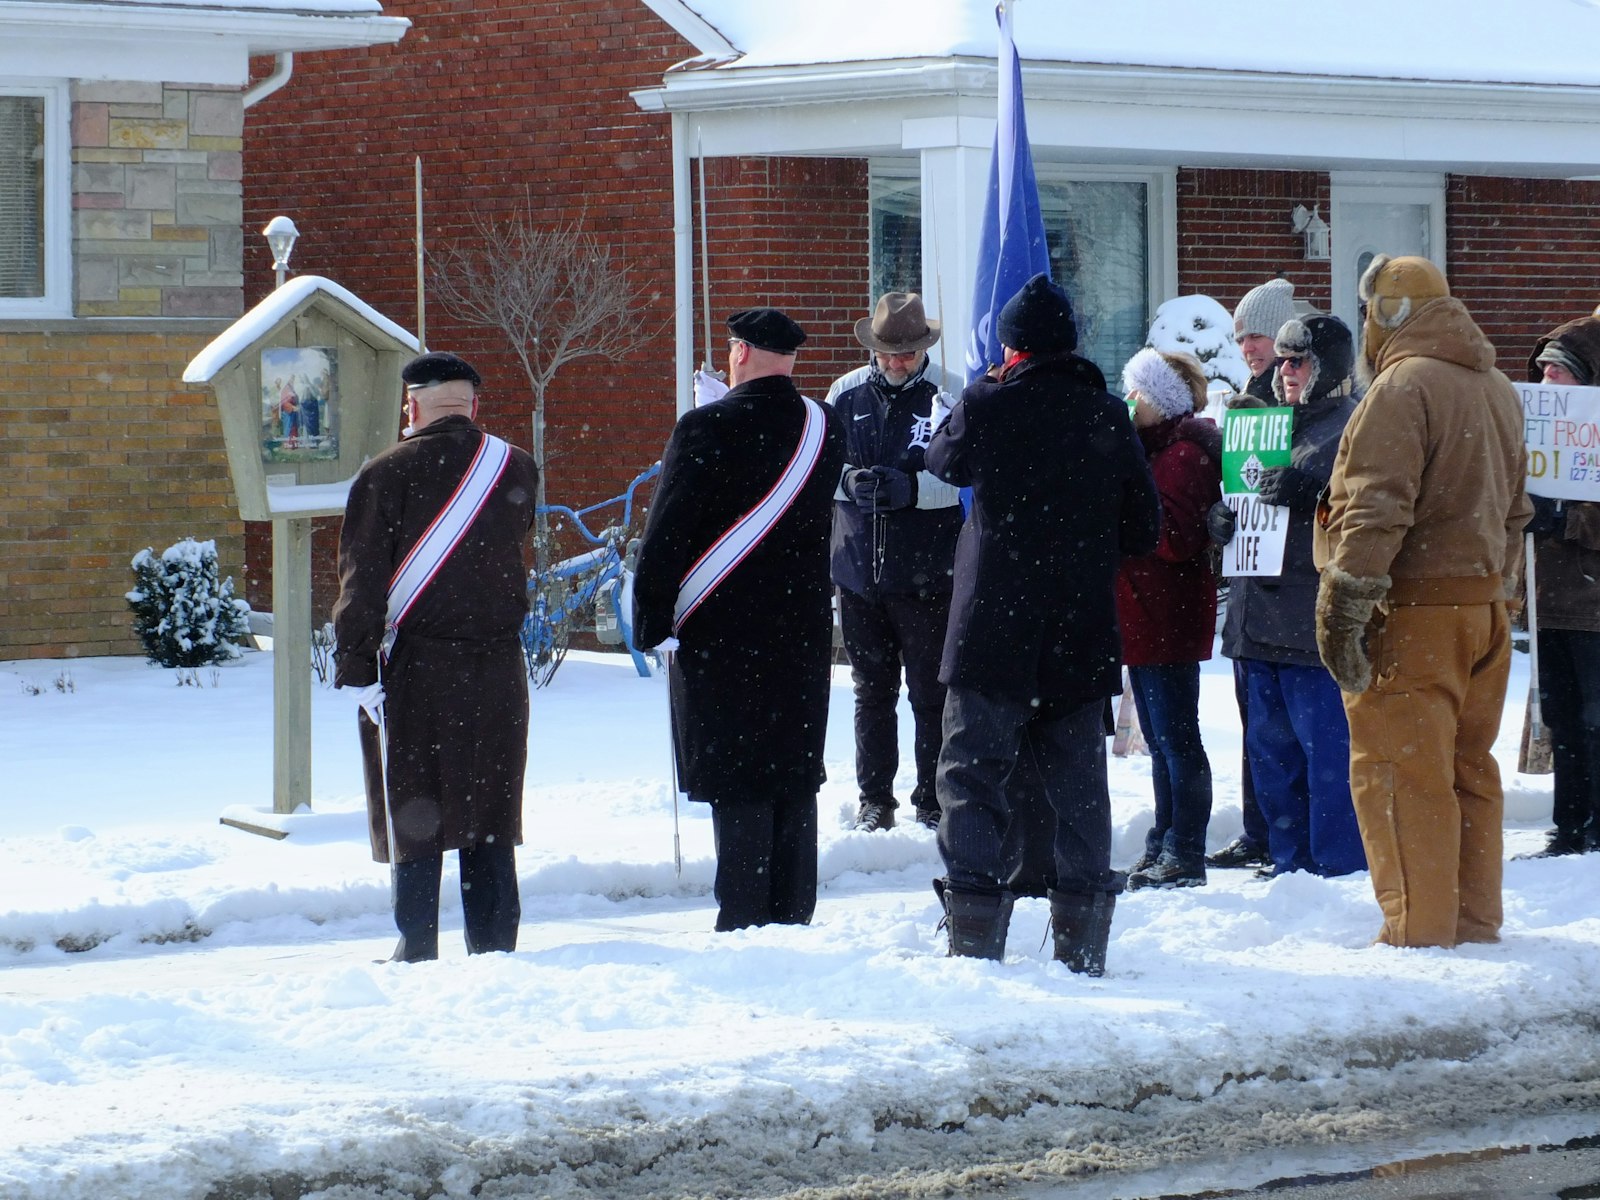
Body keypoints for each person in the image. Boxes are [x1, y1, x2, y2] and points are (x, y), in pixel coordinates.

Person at [926, 273, 1161, 972]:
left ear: (1010, 346)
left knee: (971, 776)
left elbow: (941, 460)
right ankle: (1083, 940)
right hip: (1078, 627)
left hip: (993, 628)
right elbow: (1143, 528)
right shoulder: (1107, 415)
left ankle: (972, 934)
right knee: (1079, 785)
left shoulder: (989, 404)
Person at [1315, 255, 1531, 948]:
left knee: (1400, 771)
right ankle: (1471, 919)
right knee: (1469, 768)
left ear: (1387, 313)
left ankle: (1419, 931)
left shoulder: (1404, 387)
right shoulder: (1494, 384)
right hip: (1482, 607)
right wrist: (1498, 589)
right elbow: (1517, 512)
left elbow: (1376, 507)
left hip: (1412, 612)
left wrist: (1346, 602)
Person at [631, 308, 846, 932]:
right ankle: (792, 909)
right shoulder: (824, 426)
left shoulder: (704, 427)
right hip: (799, 629)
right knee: (791, 774)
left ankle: (745, 915)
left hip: (723, 631)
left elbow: (665, 535)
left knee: (740, 778)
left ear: (741, 353)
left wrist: (652, 624)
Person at [333, 351, 538, 963]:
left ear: (411, 406)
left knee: (415, 806)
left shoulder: (385, 472)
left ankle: (416, 943)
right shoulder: (515, 465)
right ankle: (495, 941)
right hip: (499, 663)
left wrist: (355, 668)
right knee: (491, 810)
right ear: (473, 404)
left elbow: (361, 581)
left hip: (419, 665)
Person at [1210, 315, 1366, 880]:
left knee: (1325, 758)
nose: (1286, 371)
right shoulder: (1262, 425)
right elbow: (1237, 500)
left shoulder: (1352, 428)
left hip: (1309, 619)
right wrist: (1220, 522)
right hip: (1257, 618)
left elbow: (1373, 514)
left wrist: (1316, 496)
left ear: (1329, 368)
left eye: (1300, 361)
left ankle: (1336, 867)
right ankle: (1289, 862)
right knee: (1271, 758)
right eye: (1282, 359)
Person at [826, 292, 963, 833]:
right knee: (871, 691)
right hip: (859, 569)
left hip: (927, 569)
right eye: (886, 353)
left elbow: (966, 478)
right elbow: (820, 467)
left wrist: (914, 490)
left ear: (923, 349)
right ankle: (874, 800)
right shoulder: (844, 393)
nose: (895, 362)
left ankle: (931, 799)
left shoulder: (949, 393)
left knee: (930, 692)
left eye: (904, 353)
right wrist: (849, 482)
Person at [1116, 348, 1222, 890]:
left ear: (1162, 400)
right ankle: (1164, 838)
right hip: (1144, 611)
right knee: (1160, 741)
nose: (1129, 400)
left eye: (1138, 392)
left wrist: (1126, 513)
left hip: (1168, 613)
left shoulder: (1182, 456)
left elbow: (1178, 540)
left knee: (1178, 739)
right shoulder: (1152, 451)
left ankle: (1185, 850)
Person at [1206, 277, 1301, 870]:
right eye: (1241, 339)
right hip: (1248, 577)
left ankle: (1281, 832)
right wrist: (1221, 514)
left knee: (1283, 727)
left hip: (1286, 584)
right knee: (1254, 720)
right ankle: (1258, 826)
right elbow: (1235, 485)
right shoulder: (1244, 399)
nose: (1249, 348)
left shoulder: (1299, 402)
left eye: (1258, 336)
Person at [1519, 317, 1600, 857]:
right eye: (1543, 368)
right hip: (1551, 603)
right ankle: (1569, 825)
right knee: (1564, 724)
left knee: (1594, 723)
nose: (1548, 379)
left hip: (1594, 608)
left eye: (1560, 370)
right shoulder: (1533, 432)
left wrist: (1564, 519)